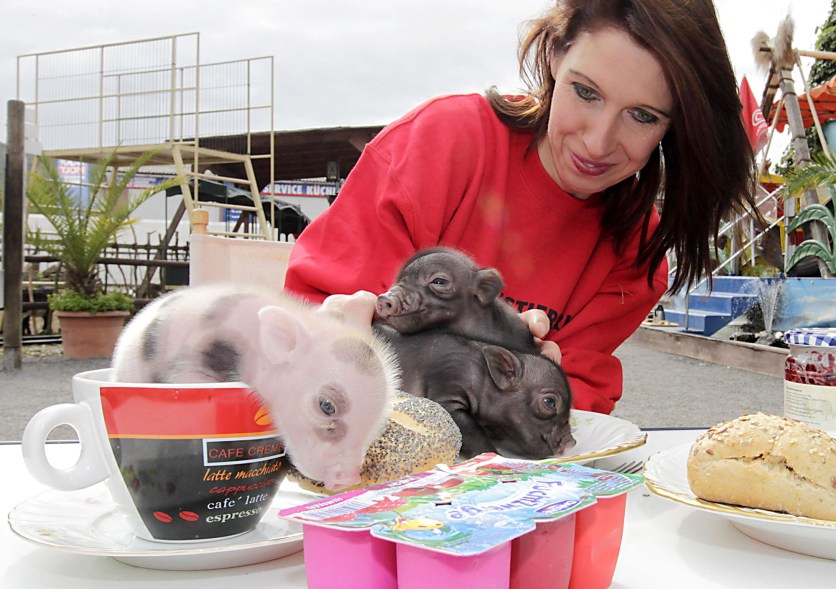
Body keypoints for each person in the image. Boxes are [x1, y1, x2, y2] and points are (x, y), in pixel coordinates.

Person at [284, 0, 758, 414]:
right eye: (586, 92)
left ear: (672, 128)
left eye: (642, 116)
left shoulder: (636, 252)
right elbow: (308, 317)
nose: (597, 143)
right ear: (555, 54)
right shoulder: (442, 144)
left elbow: (570, 413)